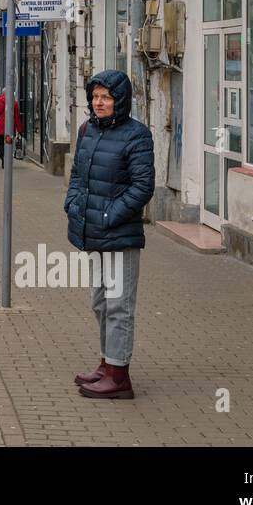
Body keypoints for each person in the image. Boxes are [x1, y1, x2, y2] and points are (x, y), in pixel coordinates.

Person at [66, 69, 154, 401]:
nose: (99, 102)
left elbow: (143, 186)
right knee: (100, 302)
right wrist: (73, 203)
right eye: (95, 97)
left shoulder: (137, 135)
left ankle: (119, 376)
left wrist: (108, 215)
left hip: (120, 235)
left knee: (119, 305)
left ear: (120, 101)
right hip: (94, 234)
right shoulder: (87, 130)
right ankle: (106, 364)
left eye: (106, 97)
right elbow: (77, 174)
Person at [0, 88, 24, 168]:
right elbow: (17, 118)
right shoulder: (14, 103)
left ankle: (3, 158)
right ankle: (6, 159)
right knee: (8, 144)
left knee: (0, 144)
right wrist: (19, 129)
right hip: (10, 129)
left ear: (2, 93)